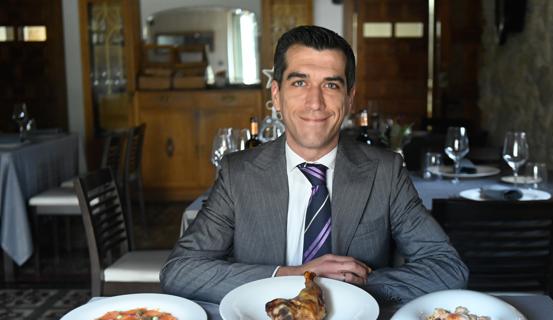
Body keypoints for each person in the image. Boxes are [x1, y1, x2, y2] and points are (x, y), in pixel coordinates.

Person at [160, 25, 468, 304]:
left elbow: (448, 269)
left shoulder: (385, 173)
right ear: (277, 96)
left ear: (349, 99)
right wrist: (293, 276)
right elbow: (180, 271)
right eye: (299, 83)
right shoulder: (237, 174)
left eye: (331, 85)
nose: (315, 102)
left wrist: (350, 286)